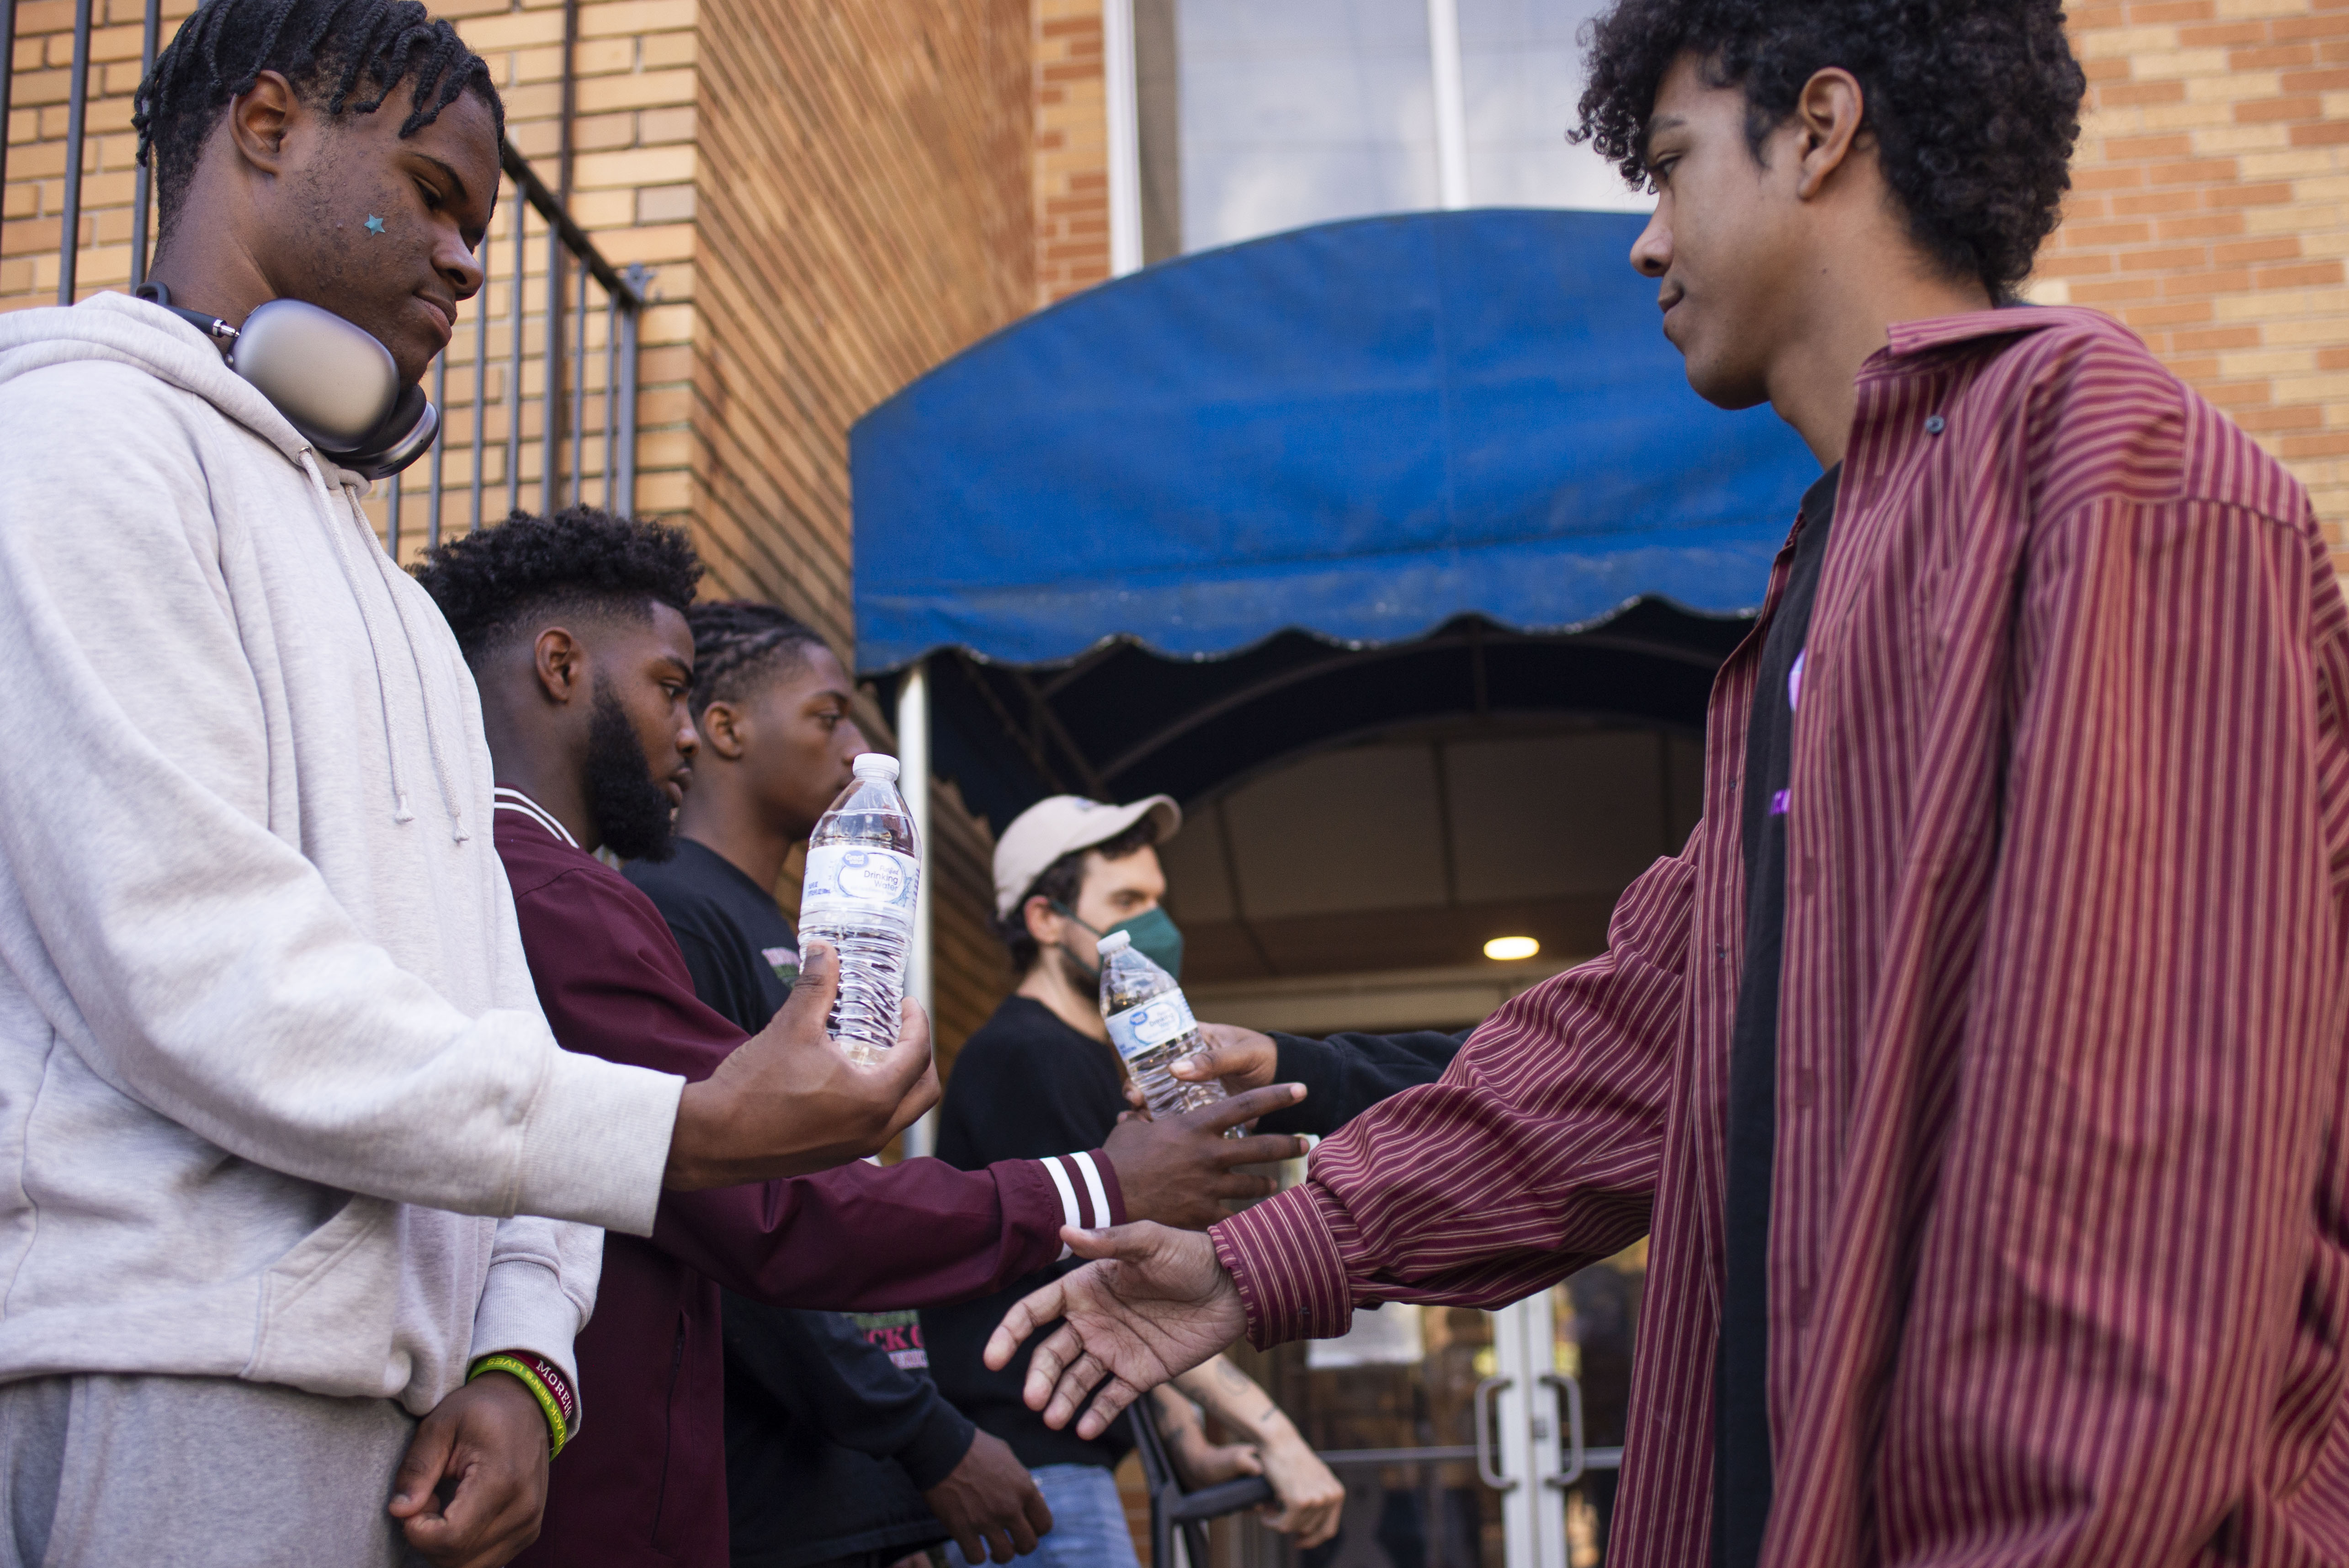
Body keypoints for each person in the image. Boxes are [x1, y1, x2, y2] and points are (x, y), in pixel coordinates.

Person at [989, 4, 2349, 1566]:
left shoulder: (2114, 473)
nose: (1646, 244)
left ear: (1822, 131)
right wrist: (1264, 1264)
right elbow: (1645, 1042)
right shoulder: (1837, 571)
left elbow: (2143, 1184)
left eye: (1671, 164)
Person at [0, 5, 926, 1564]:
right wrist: (680, 1130)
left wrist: (518, 1356)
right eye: (433, 194)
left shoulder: (383, 595)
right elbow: (195, 977)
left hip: (410, 1417)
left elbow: (493, 1012)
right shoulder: (80, 442)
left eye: (481, 223)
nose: (469, 261)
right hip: (161, 1366)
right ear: (270, 127)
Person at [414, 508, 1310, 1568]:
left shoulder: (539, 885)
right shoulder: (567, 896)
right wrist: (1094, 1188)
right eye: (668, 689)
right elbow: (752, 1212)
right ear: (561, 667)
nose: (687, 731)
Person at [626, 600, 1047, 1568]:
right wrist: (926, 1439)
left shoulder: (781, 921)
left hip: (845, 1473)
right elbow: (733, 1220)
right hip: (762, 1488)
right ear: (724, 728)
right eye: (829, 716)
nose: (859, 746)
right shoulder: (673, 910)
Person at [924, 795, 1349, 1565]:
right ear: (1047, 920)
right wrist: (1276, 1435)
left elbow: (1128, 1279)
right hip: (1030, 1465)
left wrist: (1188, 1445)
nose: (1154, 929)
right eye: (1126, 902)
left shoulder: (1087, 1060)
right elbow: (1126, 1275)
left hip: (1065, 1457)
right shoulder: (1028, 1055)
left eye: (1157, 901)